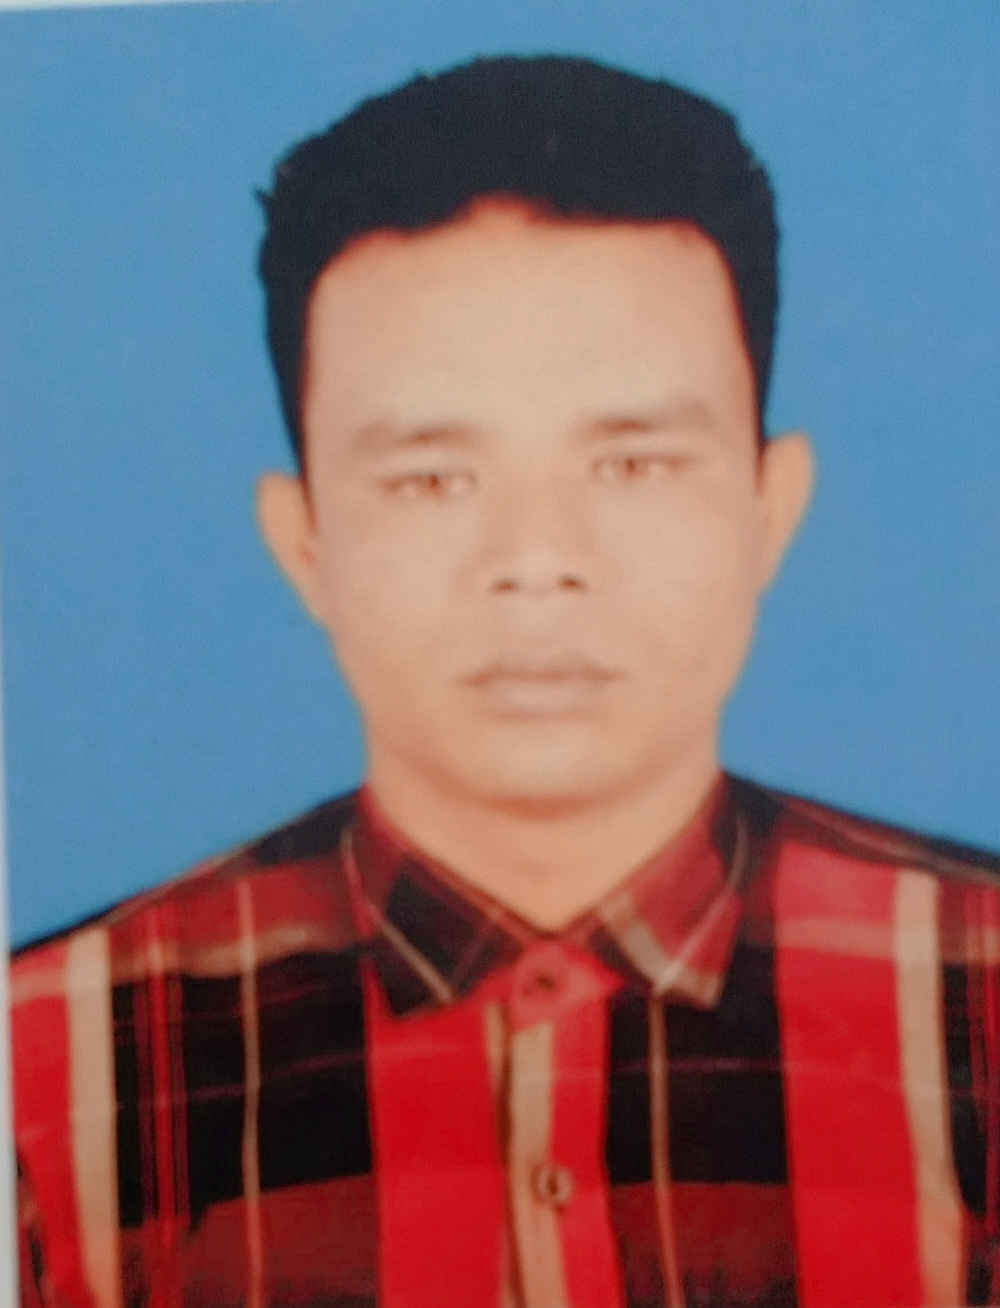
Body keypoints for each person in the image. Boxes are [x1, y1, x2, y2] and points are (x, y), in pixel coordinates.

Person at [10, 54, 1000, 1308]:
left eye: (633, 465)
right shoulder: (42, 1073)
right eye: (432, 479)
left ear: (770, 507)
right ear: (304, 542)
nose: (536, 562)